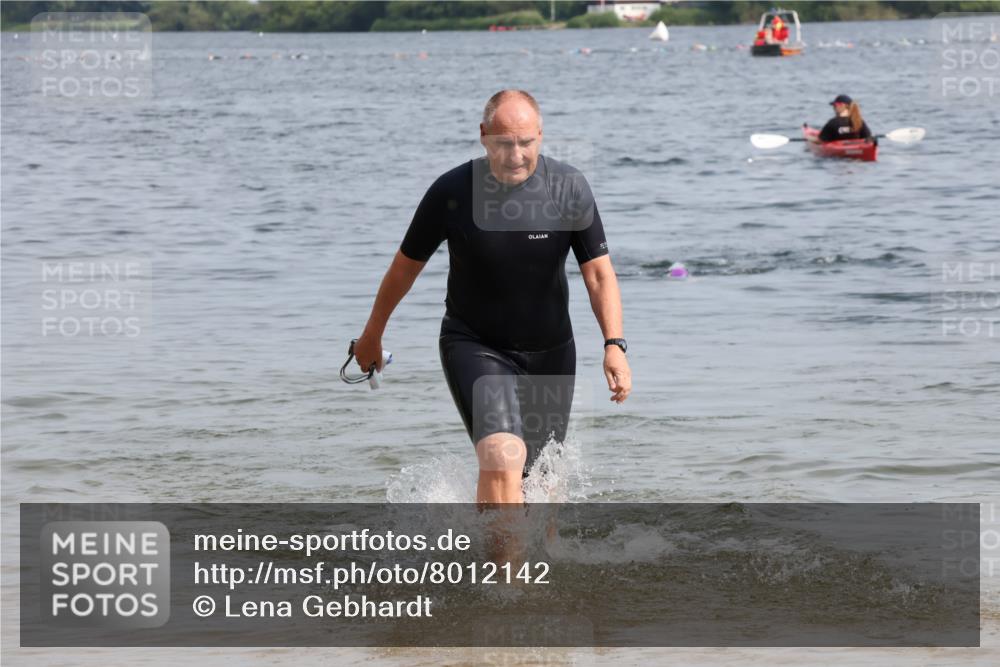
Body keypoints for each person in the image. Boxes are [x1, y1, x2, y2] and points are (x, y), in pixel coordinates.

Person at [353, 90, 631, 506]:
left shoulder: (568, 188)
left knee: (540, 486)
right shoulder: (452, 191)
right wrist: (372, 334)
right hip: (475, 344)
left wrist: (614, 344)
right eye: (503, 143)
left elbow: (598, 274)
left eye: (526, 142)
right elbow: (404, 269)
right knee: (503, 458)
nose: (515, 155)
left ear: (540, 135)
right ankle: (499, 552)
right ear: (483, 135)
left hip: (551, 351)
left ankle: (510, 546)